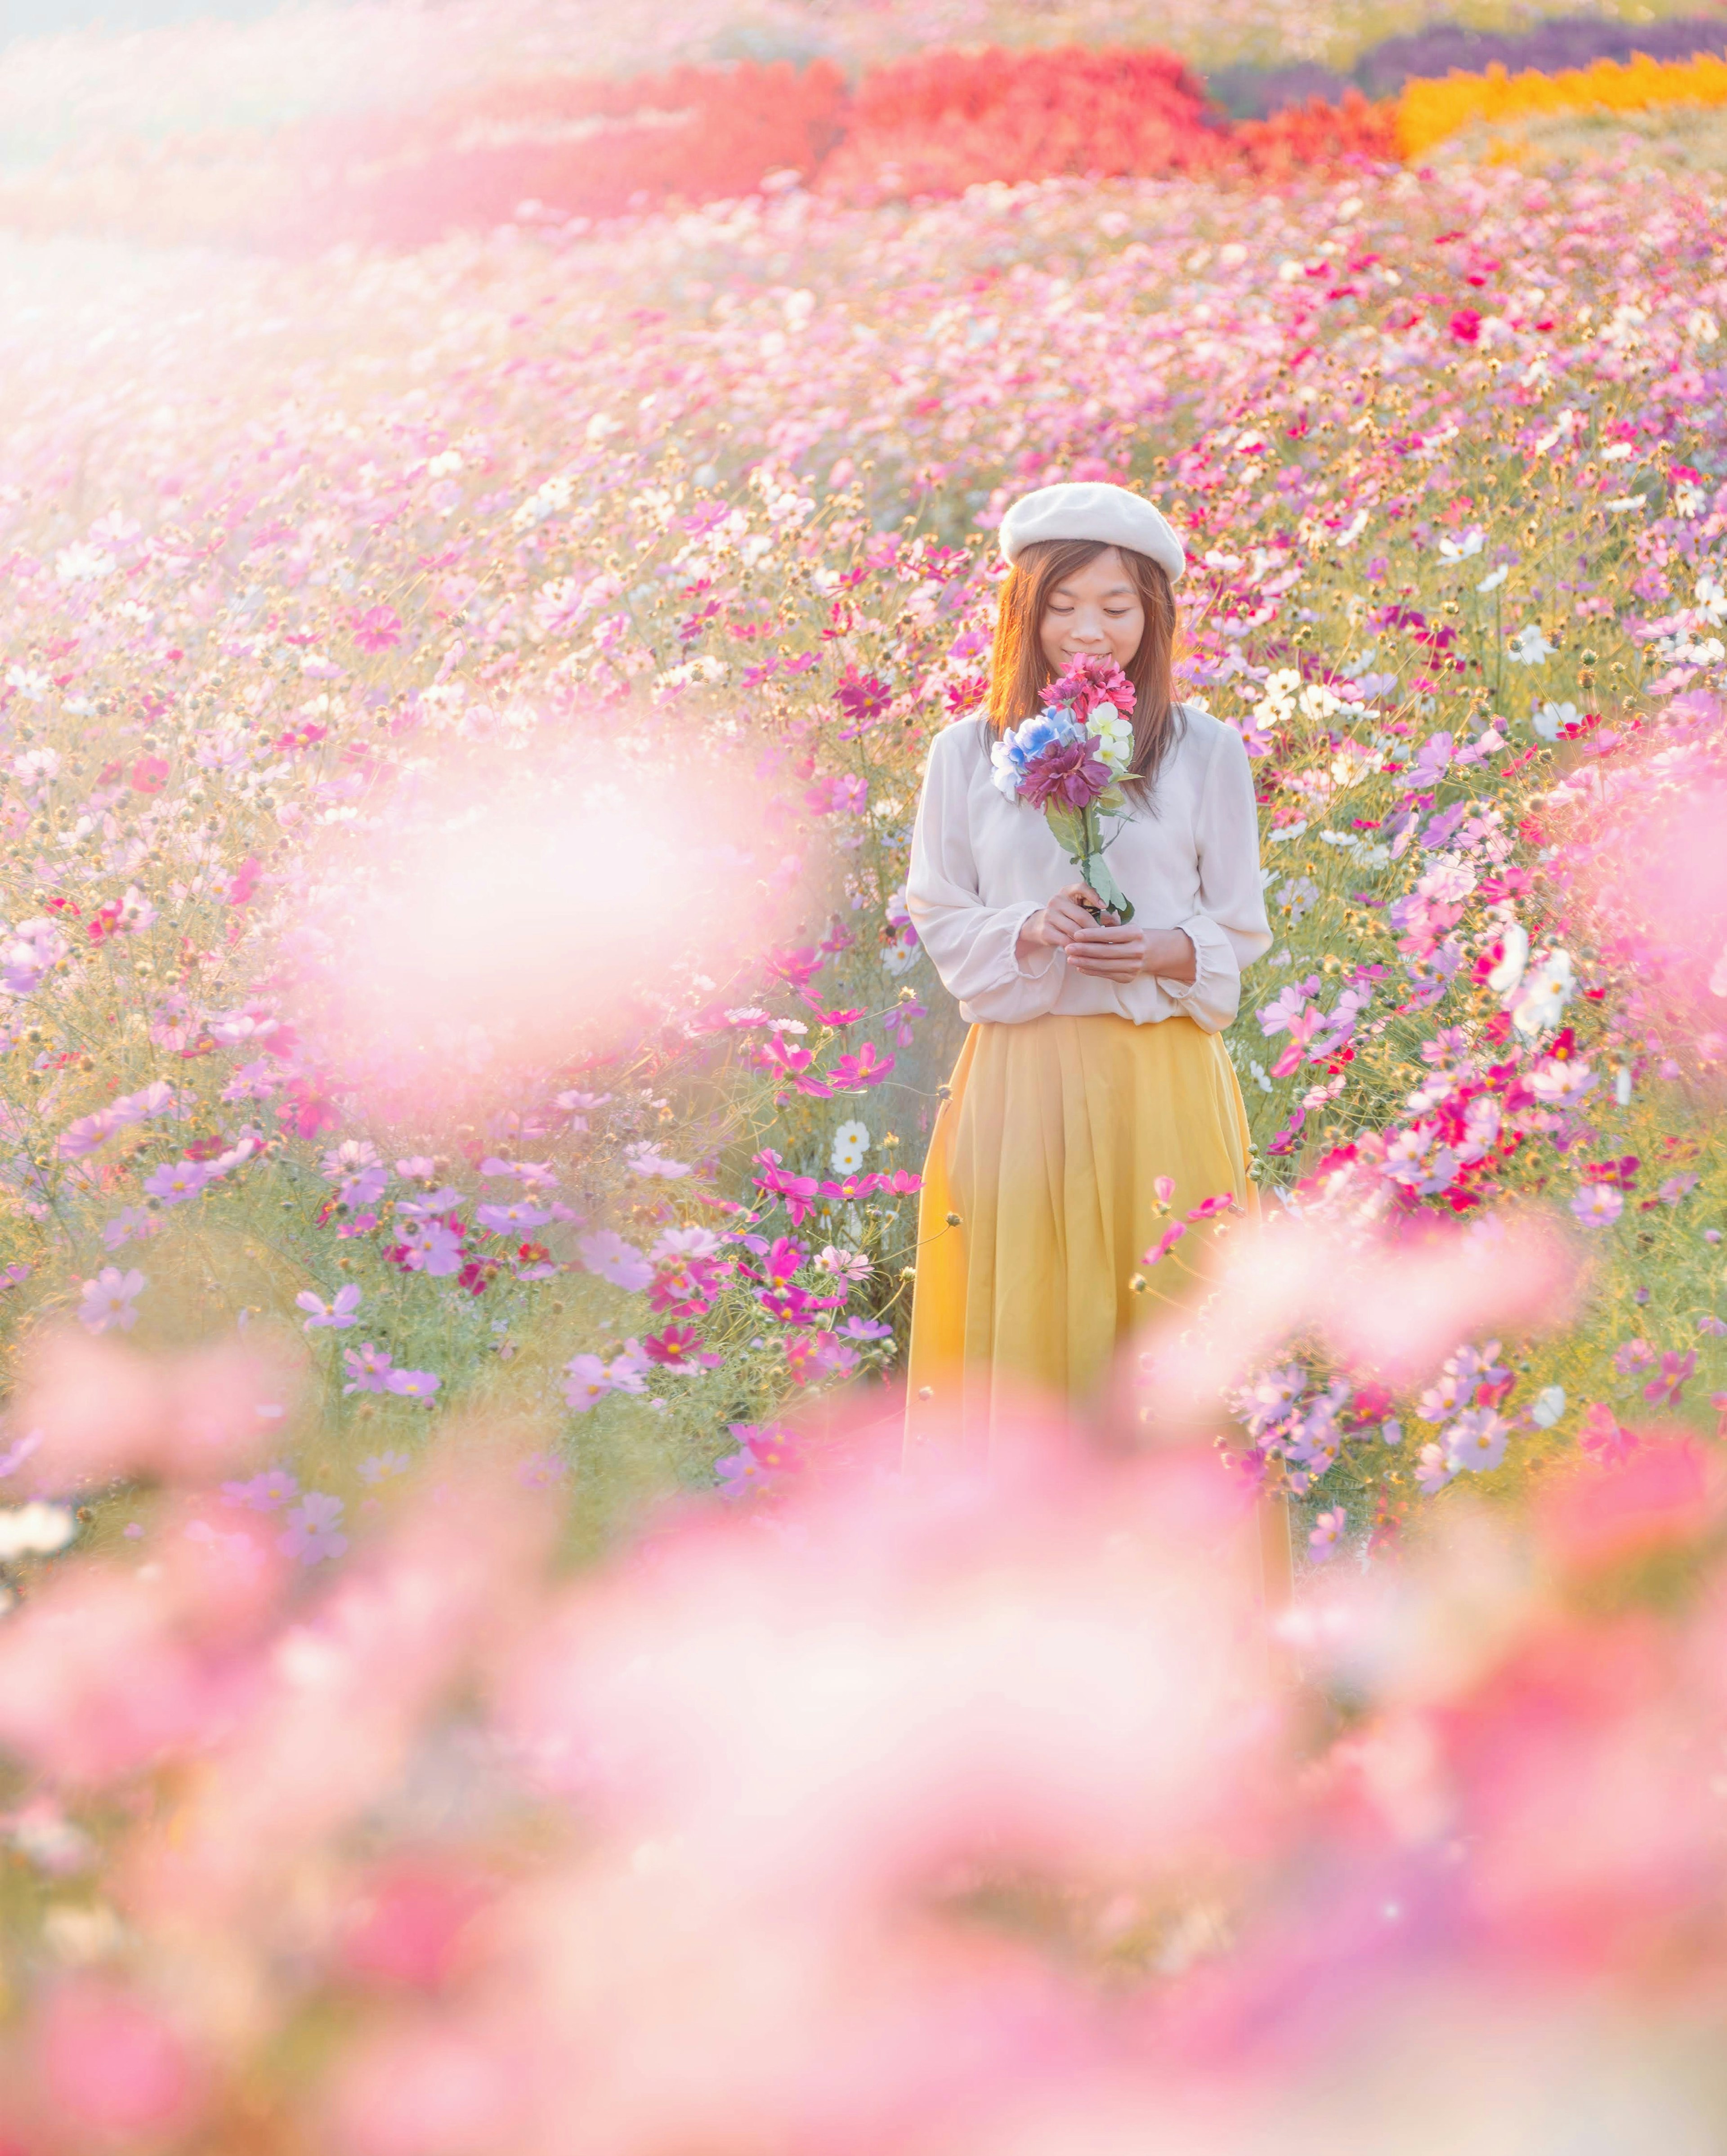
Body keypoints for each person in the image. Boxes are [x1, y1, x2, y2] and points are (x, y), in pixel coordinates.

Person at [903, 479, 1272, 1463]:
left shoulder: (1203, 752)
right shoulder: (967, 753)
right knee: (1022, 1357)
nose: (1090, 631)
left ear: (1155, 613)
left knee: (1170, 1343)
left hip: (1162, 1087)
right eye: (1062, 606)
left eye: (1117, 606)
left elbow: (1241, 928)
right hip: (1019, 1091)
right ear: (1023, 616)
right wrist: (1032, 928)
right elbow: (939, 910)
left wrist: (1160, 948)